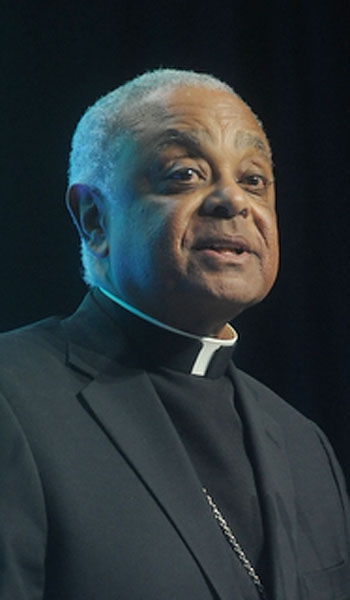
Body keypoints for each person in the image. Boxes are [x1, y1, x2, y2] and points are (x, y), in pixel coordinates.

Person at [0, 69, 349, 600]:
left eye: (253, 179)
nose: (233, 200)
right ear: (94, 219)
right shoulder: (12, 397)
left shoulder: (305, 444)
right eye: (185, 173)